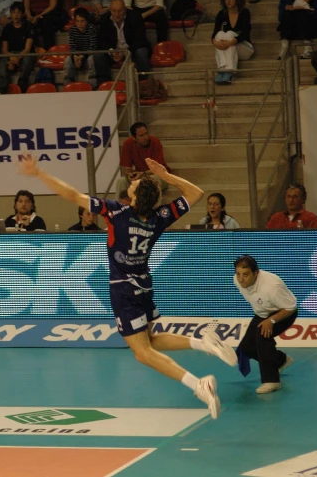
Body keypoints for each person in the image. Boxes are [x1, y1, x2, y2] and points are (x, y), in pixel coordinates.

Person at [18, 154, 237, 419]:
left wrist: (39, 173)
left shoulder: (116, 212)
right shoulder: (160, 216)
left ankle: (199, 384)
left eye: (134, 183)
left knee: (143, 354)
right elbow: (196, 192)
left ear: (135, 196)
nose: (130, 182)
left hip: (123, 288)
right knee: (150, 342)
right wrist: (165, 175)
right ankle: (205, 343)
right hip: (144, 285)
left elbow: (72, 195)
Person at [233, 255, 297, 394]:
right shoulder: (237, 281)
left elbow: (290, 307)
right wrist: (265, 318)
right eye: (238, 274)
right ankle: (281, 361)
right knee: (247, 348)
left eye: (246, 274)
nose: (241, 279)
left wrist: (271, 320)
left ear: (256, 273)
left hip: (283, 312)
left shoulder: (272, 286)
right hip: (262, 314)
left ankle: (272, 381)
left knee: (263, 337)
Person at [212, 0, 252, 85]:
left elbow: (245, 33)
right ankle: (222, 70)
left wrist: (231, 42)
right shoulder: (221, 14)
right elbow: (214, 33)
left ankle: (229, 71)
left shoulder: (244, 13)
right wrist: (215, 43)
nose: (228, 1)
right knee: (220, 34)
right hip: (230, 48)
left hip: (245, 48)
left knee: (229, 34)